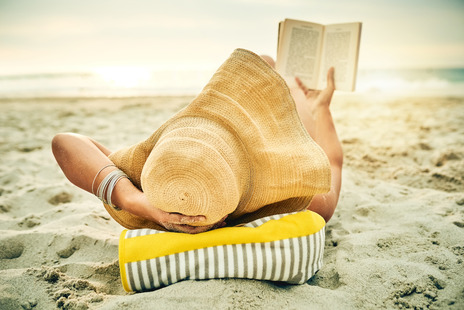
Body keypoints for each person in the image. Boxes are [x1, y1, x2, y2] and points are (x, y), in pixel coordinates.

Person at [52, 51, 342, 234]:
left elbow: (64, 142)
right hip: (274, 131)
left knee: (267, 62)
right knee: (275, 71)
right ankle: (293, 86)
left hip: (213, 136)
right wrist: (322, 108)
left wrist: (136, 201)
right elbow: (331, 163)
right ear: (226, 217)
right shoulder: (304, 202)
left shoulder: (151, 187)